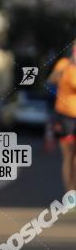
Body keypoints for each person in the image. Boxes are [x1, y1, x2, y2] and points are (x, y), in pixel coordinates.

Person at [49, 43, 76, 192]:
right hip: (65, 116)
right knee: (68, 156)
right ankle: (70, 193)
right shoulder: (64, 64)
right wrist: (69, 66)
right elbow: (52, 80)